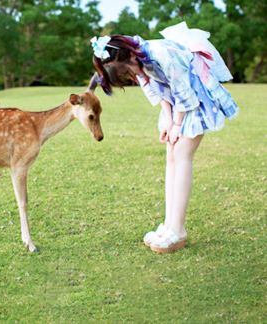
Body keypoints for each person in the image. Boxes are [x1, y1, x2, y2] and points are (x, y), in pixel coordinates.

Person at [89, 22, 239, 254]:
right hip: (177, 105)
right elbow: (156, 89)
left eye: (129, 74)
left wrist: (178, 124)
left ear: (130, 56)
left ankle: (178, 231)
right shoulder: (133, 60)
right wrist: (168, 121)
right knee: (171, 156)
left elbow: (183, 89)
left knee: (182, 157)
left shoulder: (162, 53)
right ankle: (169, 225)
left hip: (194, 97)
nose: (132, 78)